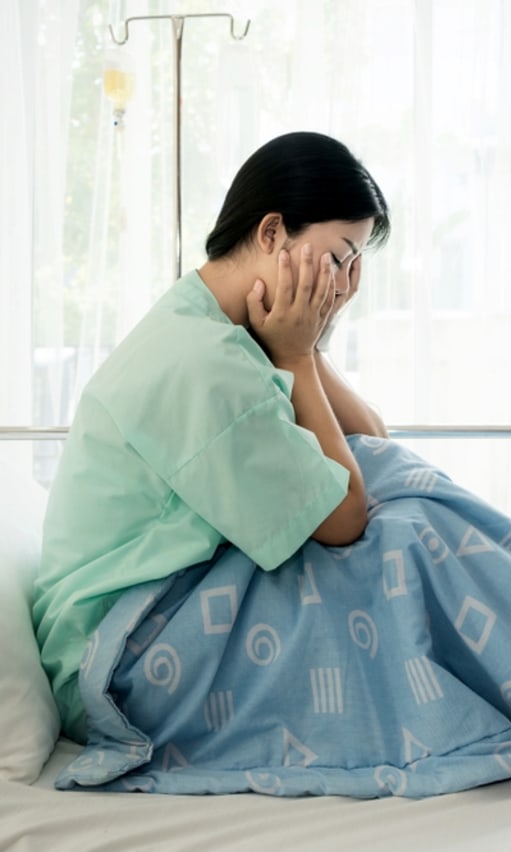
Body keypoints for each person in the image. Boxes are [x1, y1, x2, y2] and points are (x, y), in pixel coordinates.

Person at [32, 131, 391, 743]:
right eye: (337, 257)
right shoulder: (203, 359)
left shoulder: (219, 324)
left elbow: (374, 445)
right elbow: (345, 517)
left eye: (355, 266)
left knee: (408, 503)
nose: (343, 283)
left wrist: (311, 339)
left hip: (144, 623)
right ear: (273, 233)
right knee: (399, 545)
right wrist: (299, 356)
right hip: (118, 658)